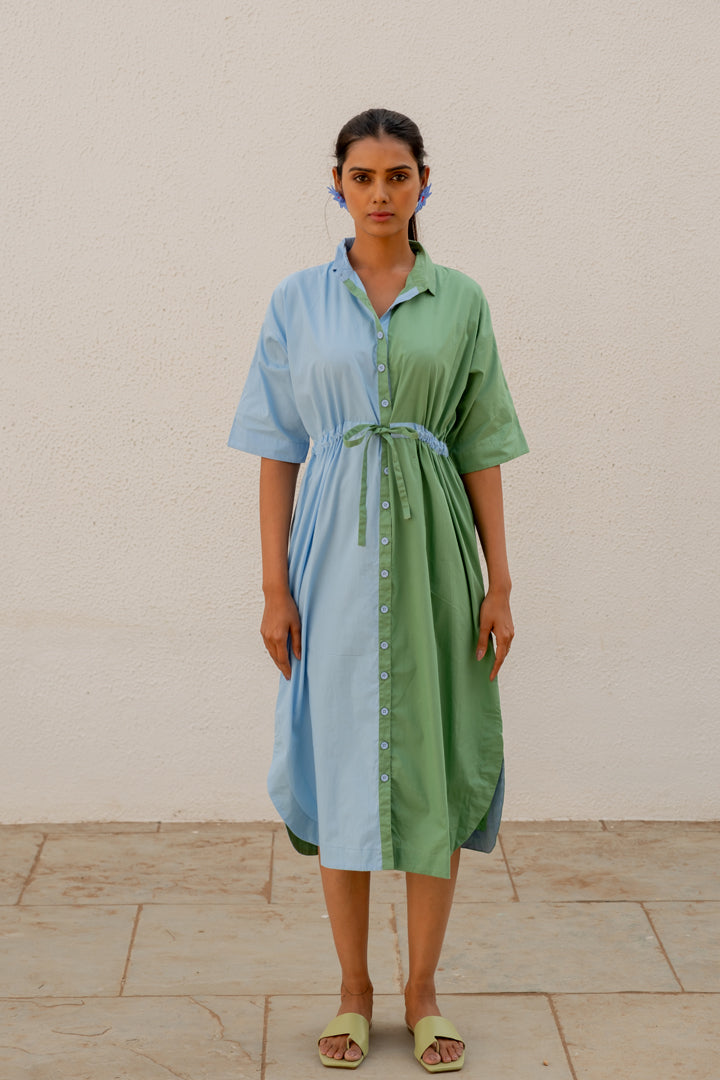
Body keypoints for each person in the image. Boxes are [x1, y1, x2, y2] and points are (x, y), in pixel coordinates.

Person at [227, 107, 528, 1072]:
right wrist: (273, 587)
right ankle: (353, 992)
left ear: (424, 182)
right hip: (331, 561)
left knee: (430, 762)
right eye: (363, 177)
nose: (381, 193)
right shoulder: (296, 302)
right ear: (338, 186)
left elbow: (482, 444)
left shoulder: (461, 299)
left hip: (438, 555)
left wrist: (500, 580)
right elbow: (277, 447)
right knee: (345, 761)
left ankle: (423, 993)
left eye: (399, 175)